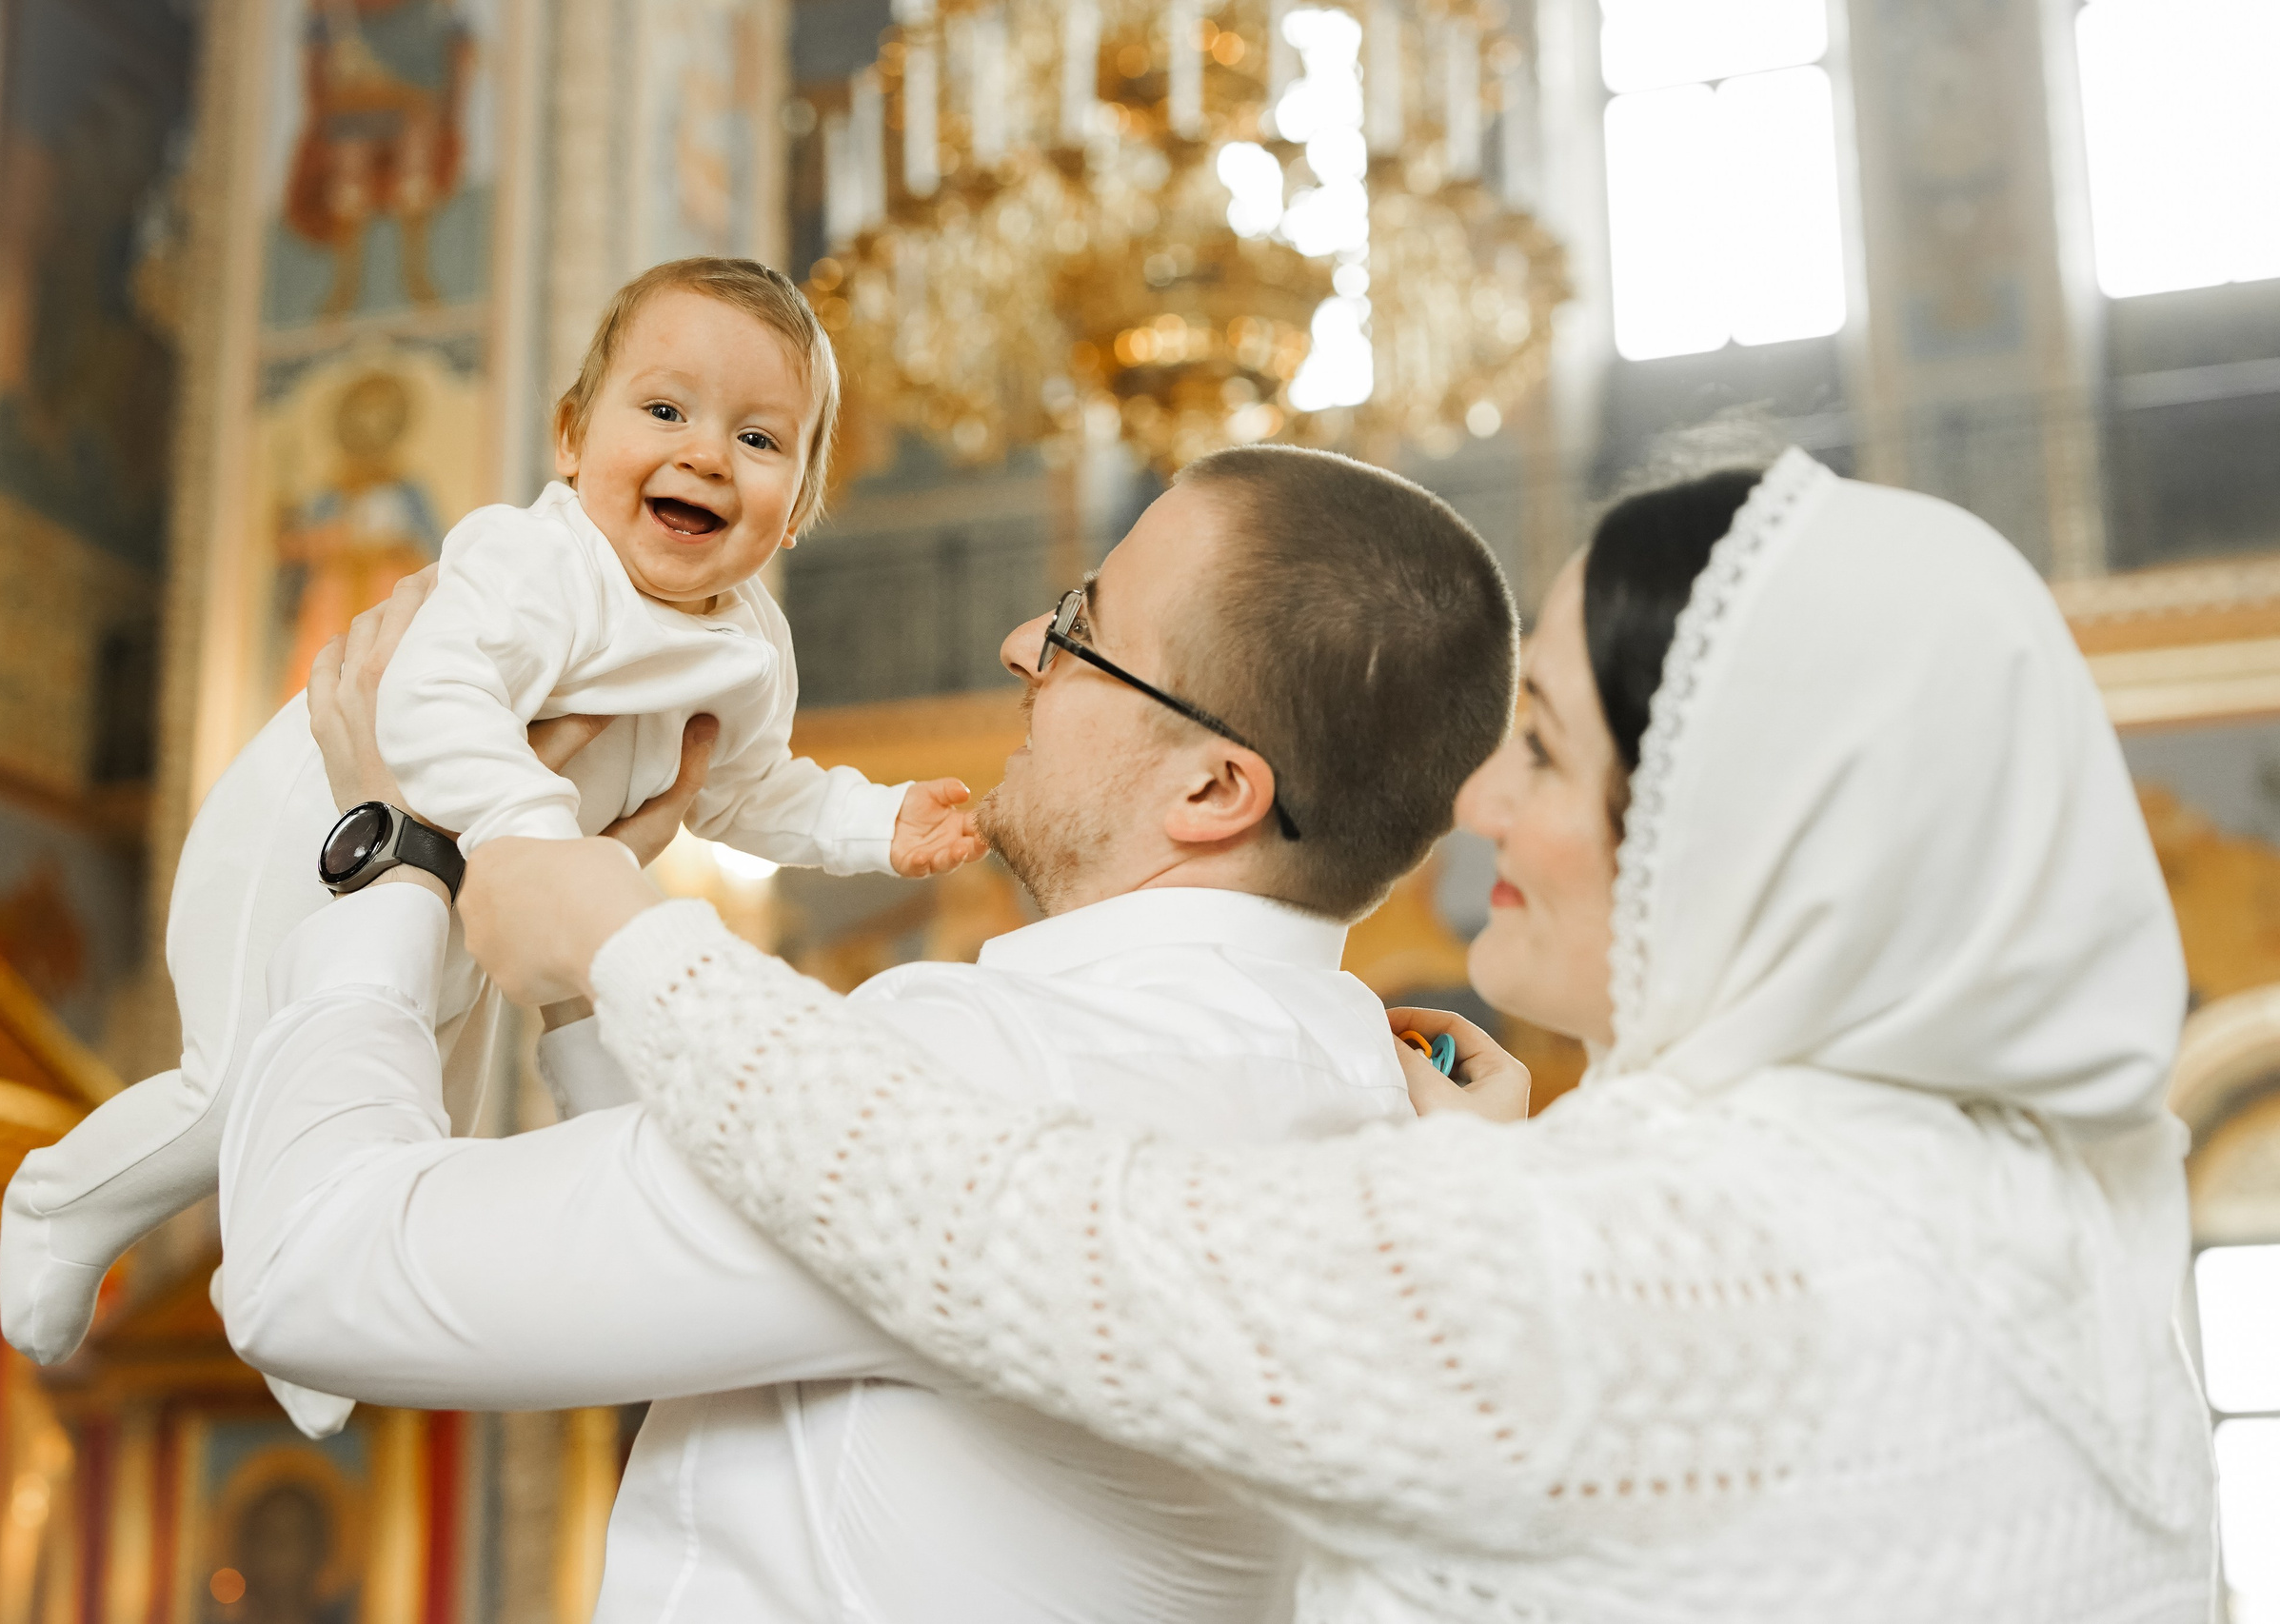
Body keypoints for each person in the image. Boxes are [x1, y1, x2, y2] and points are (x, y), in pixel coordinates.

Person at [466, 446, 2218, 1622]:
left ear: (1751, 832)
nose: (1479, 804)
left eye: (1539, 746)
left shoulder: (1661, 1262)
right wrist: (1524, 1180)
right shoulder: (2040, 1204)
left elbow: (1030, 1229)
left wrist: (630, 952)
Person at [216, 444, 1526, 1621]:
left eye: (1084, 627)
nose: (1024, 642)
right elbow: (742, 1250)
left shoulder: (989, 1066)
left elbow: (311, 1267)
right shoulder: (1374, 1106)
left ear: (1211, 786)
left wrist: (387, 854)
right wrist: (579, 982)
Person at [0, 258, 984, 1433]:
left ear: (799, 501)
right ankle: (63, 1203)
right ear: (571, 438)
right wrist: (537, 831)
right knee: (241, 1082)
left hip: (477, 887)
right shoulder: (541, 565)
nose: (707, 454)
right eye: (664, 411)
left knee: (423, 1106)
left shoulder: (751, 645)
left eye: (761, 439)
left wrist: (875, 822)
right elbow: (427, 699)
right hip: (322, 835)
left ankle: (314, 1309)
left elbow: (746, 788)